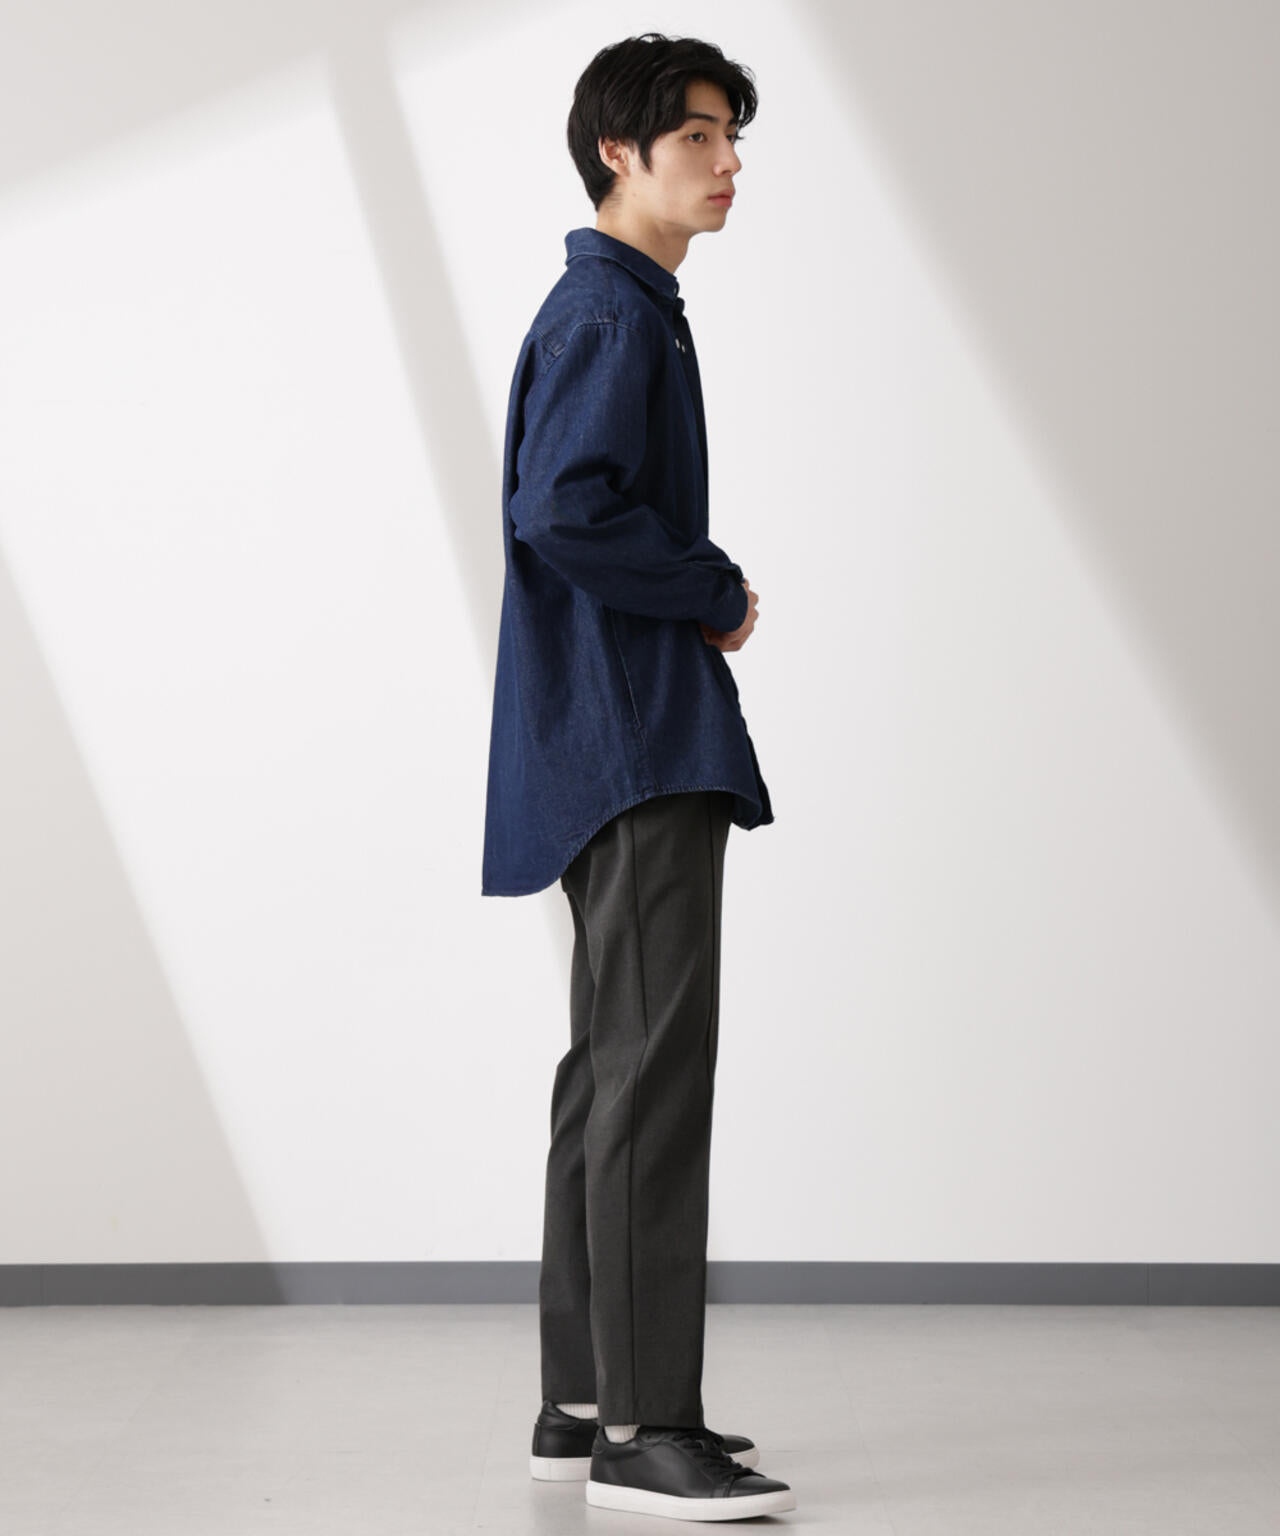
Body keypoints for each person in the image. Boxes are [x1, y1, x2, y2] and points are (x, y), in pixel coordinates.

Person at [481, 32, 795, 1522]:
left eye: (734, 139)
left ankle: (584, 1401)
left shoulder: (625, 306)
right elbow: (562, 507)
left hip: (609, 733)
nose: (728, 165)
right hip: (636, 737)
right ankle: (644, 1431)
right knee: (652, 1073)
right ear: (620, 152)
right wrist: (709, 586)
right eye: (699, 138)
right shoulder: (611, 309)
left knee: (610, 1067)